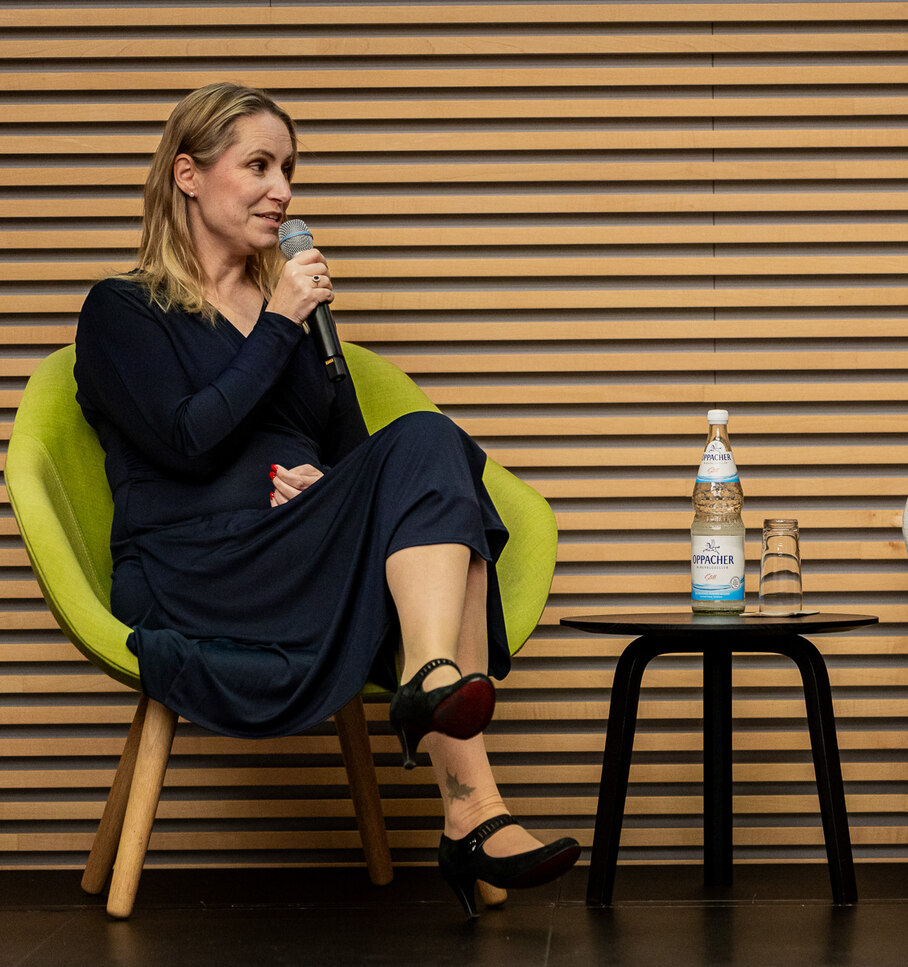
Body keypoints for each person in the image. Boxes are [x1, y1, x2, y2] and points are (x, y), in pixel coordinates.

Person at [72, 82, 578, 918]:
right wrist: (279, 320)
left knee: (426, 444)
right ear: (188, 176)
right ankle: (469, 801)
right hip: (197, 568)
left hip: (298, 556)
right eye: (260, 166)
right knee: (427, 450)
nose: (284, 191)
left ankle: (451, 746)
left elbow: (358, 459)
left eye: (290, 170)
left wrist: (328, 487)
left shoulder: (305, 321)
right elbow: (184, 440)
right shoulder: (123, 309)